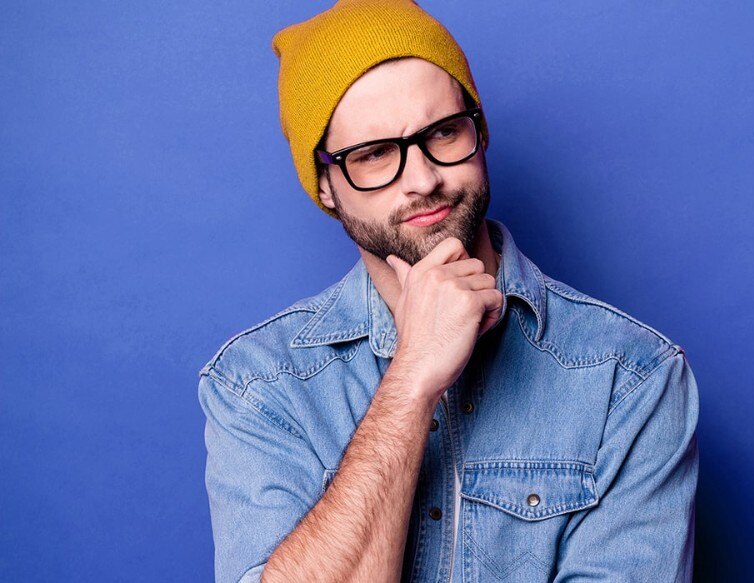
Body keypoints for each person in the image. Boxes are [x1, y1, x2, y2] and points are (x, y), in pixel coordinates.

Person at [195, 1, 700, 581]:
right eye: (374, 154)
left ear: (480, 132)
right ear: (326, 185)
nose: (423, 179)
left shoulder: (632, 376)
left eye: (443, 132)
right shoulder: (257, 385)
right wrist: (412, 380)